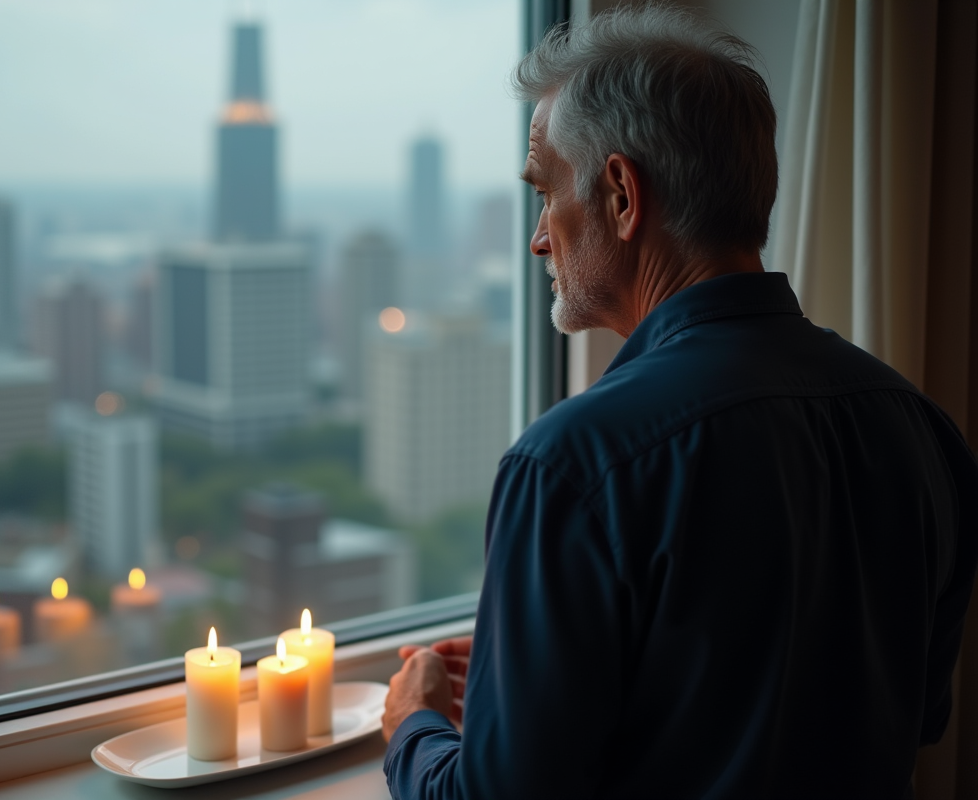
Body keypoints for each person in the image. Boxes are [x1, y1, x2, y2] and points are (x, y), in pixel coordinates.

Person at [381, 6, 978, 799]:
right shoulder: (922, 428)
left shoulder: (570, 465)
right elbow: (913, 716)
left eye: (544, 191)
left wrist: (413, 726)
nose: (538, 237)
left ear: (623, 195)